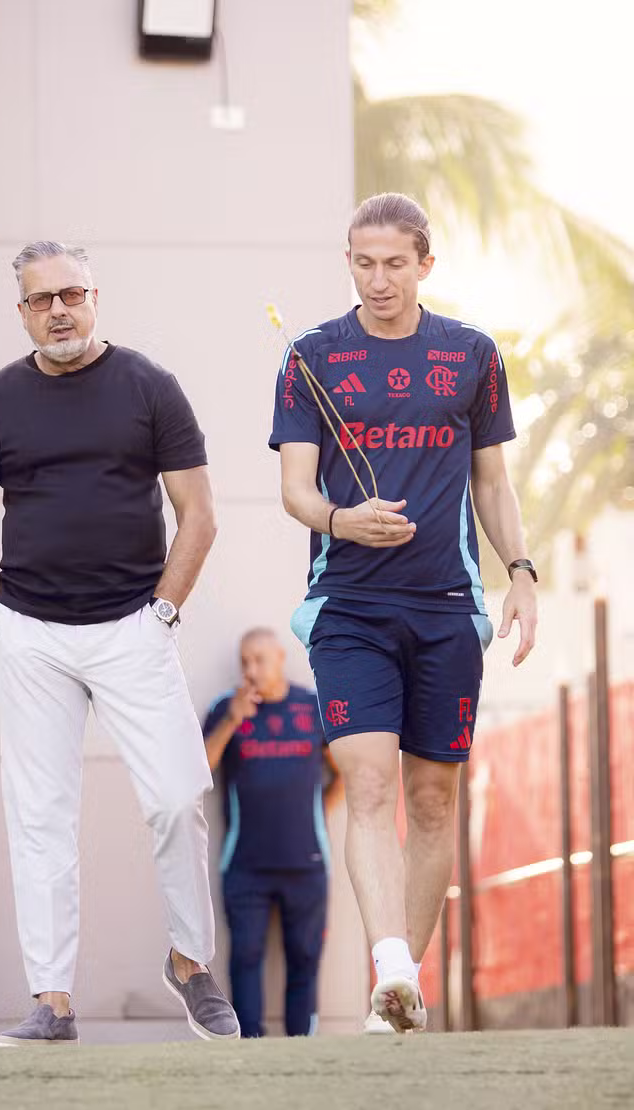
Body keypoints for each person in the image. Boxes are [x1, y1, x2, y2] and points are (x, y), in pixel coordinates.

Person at [0, 240, 239, 1046]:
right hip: (32, 633)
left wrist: (164, 614)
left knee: (177, 797)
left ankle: (190, 963)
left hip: (134, 627)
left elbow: (199, 514)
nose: (59, 311)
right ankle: (53, 1000)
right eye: (42, 300)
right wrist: (3, 621)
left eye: (71, 294)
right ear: (22, 313)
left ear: (94, 298)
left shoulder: (150, 387)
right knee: (40, 817)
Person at [269, 193, 537, 1034]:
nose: (378, 279)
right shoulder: (310, 356)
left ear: (425, 264)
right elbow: (295, 490)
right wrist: (341, 520)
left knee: (430, 801)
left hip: (448, 607)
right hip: (348, 606)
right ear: (348, 262)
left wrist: (521, 572)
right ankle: (389, 961)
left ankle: (398, 995)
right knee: (370, 783)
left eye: (394, 263)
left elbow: (492, 482)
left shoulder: (472, 354)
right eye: (363, 262)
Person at [203, 628, 343, 1038]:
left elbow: (345, 772)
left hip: (307, 863)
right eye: (244, 661)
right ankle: (249, 1046)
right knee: (245, 957)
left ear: (280, 658)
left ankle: (302, 1048)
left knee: (305, 958)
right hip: (245, 866)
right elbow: (201, 769)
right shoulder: (226, 708)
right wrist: (232, 720)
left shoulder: (312, 707)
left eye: (259, 659)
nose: (251, 670)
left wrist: (318, 810)